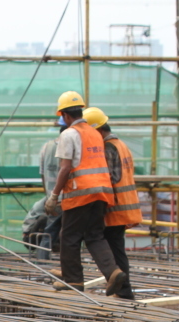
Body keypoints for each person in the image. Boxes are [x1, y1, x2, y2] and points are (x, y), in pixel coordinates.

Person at [45, 91, 127, 295]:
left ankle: (73, 280)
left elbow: (65, 168)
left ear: (64, 115)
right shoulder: (94, 132)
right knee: (94, 235)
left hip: (80, 192)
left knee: (69, 236)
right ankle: (113, 271)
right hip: (102, 192)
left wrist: (54, 195)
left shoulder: (69, 134)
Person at [84, 107, 140, 299]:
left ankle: (124, 292)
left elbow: (111, 178)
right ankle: (124, 291)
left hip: (114, 208)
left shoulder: (108, 148)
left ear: (98, 131)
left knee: (113, 250)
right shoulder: (121, 144)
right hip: (123, 206)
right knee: (117, 250)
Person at [22, 117, 68, 259]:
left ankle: (43, 264)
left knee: (49, 234)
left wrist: (50, 195)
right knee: (70, 236)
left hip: (52, 199)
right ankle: (68, 268)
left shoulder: (46, 147)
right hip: (68, 199)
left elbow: (42, 175)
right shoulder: (72, 148)